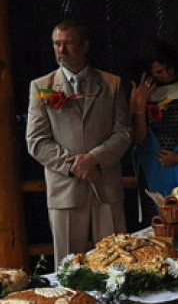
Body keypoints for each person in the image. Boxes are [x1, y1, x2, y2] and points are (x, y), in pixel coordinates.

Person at [26, 20, 131, 263]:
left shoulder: (111, 83)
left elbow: (124, 132)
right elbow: (36, 141)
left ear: (84, 46)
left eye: (68, 44)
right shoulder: (42, 87)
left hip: (106, 184)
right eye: (56, 44)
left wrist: (95, 159)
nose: (61, 51)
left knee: (117, 261)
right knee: (68, 265)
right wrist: (74, 166)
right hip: (65, 186)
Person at [128, 39, 178, 224]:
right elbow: (138, 138)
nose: (166, 74)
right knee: (158, 223)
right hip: (153, 169)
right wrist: (140, 106)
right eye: (159, 72)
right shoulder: (140, 91)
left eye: (168, 68)